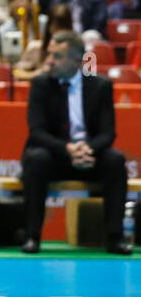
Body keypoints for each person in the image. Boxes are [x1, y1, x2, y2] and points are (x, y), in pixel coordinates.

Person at [20, 31, 130, 255]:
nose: (49, 61)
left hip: (89, 155)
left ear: (77, 60)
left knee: (115, 161)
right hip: (54, 155)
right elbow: (37, 131)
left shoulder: (100, 87)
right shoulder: (40, 84)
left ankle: (115, 238)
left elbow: (108, 134)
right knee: (36, 159)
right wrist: (68, 149)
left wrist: (87, 149)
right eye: (49, 54)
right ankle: (32, 236)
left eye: (57, 56)